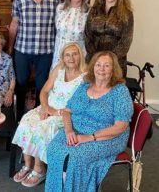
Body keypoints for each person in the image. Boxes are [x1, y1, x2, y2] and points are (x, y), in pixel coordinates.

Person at [45, 51, 133, 192]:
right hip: (77, 129)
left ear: (113, 69)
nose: (101, 69)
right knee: (53, 150)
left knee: (75, 159)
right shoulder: (85, 85)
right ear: (93, 67)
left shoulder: (120, 92)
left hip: (107, 136)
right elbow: (67, 111)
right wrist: (68, 131)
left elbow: (120, 127)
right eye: (98, 65)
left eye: (106, 65)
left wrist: (89, 137)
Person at [12, 43, 85, 187]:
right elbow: (44, 91)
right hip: (47, 107)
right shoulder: (59, 69)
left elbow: (80, 105)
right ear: (63, 57)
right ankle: (28, 165)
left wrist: (54, 113)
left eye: (74, 54)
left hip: (64, 114)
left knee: (42, 128)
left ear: (80, 56)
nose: (71, 58)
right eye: (67, 55)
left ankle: (39, 169)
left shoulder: (85, 76)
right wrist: (45, 107)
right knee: (26, 121)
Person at [8, 0, 60, 121]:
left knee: (42, 85)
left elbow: (58, 24)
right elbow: (14, 24)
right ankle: (18, 117)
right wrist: (10, 47)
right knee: (21, 82)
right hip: (23, 49)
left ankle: (39, 117)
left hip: (46, 50)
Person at [85, 0, 134, 76]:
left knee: (112, 91)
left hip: (116, 63)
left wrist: (109, 60)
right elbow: (87, 34)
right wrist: (96, 58)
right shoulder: (94, 10)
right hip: (93, 61)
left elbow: (125, 42)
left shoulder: (127, 13)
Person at [50, 0, 90, 70]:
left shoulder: (89, 11)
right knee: (56, 79)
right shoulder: (60, 8)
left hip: (77, 53)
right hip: (60, 51)